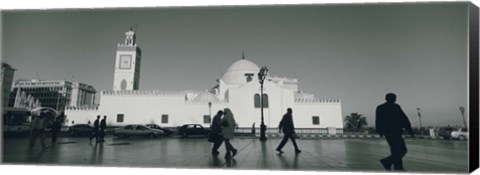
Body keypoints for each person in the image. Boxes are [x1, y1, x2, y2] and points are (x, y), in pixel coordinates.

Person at [376, 93, 414, 171]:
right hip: (395, 132)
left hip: (387, 132)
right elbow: (404, 119)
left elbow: (378, 120)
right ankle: (387, 161)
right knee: (402, 150)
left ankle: (398, 167)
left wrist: (380, 131)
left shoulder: (380, 108)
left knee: (395, 150)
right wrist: (409, 130)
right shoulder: (395, 107)